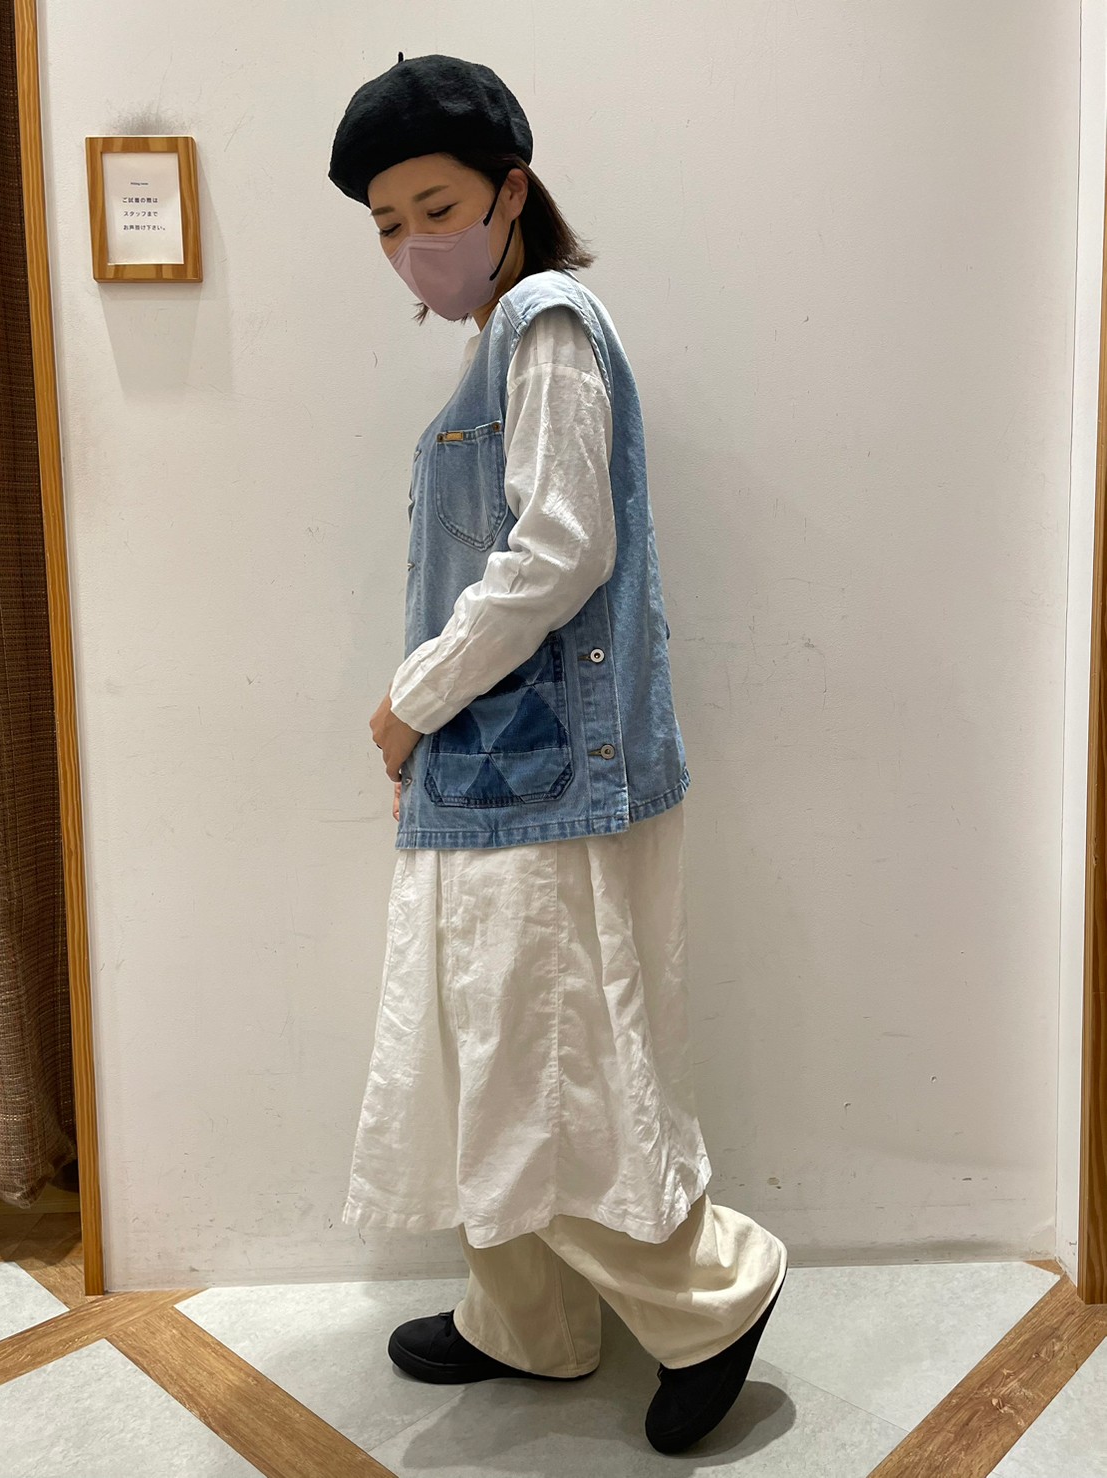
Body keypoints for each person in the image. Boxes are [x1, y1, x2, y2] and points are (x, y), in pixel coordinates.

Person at [328, 52, 788, 1456]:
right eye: (388, 224)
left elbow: (560, 550)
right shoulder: (501, 341)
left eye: (437, 207)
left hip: (546, 781)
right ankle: (524, 1319)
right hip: (506, 777)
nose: (415, 243)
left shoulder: (545, 326)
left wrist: (411, 699)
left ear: (511, 191)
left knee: (545, 1069)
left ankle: (715, 1293)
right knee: (495, 1051)